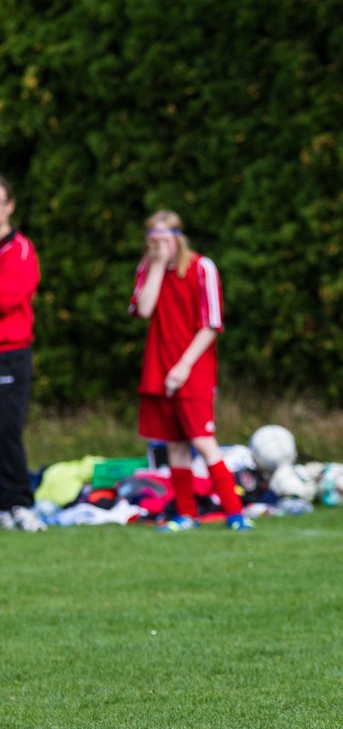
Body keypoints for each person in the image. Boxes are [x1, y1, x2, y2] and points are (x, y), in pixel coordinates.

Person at [130, 210, 252, 531]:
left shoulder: (201, 267)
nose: (156, 245)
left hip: (193, 366)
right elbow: (143, 309)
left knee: (201, 439)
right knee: (174, 444)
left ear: (177, 238)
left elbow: (211, 323)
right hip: (159, 366)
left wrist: (184, 366)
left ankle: (235, 513)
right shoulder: (148, 269)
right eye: (151, 240)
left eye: (163, 239)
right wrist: (156, 264)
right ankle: (186, 514)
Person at [0, 174, 45, 532]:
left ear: (9, 206)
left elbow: (8, 297)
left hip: (10, 354)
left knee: (6, 428)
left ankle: (19, 502)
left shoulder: (21, 250)